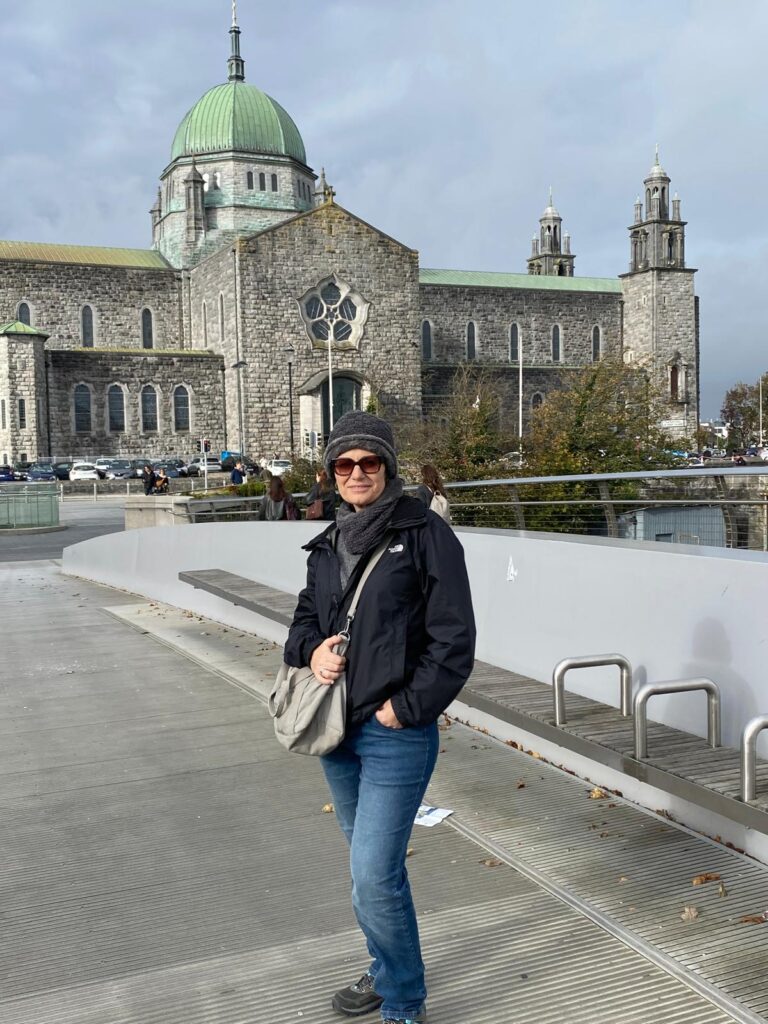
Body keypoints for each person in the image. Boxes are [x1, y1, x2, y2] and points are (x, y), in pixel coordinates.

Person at [284, 411, 476, 1024]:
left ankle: (402, 1003)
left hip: (395, 732)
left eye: (369, 461)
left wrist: (407, 708)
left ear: (388, 467)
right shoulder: (327, 543)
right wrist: (312, 651)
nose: (357, 472)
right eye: (345, 464)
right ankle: (388, 968)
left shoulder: (423, 533)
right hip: (337, 730)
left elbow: (454, 639)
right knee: (372, 872)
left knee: (372, 876)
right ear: (332, 473)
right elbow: (302, 624)